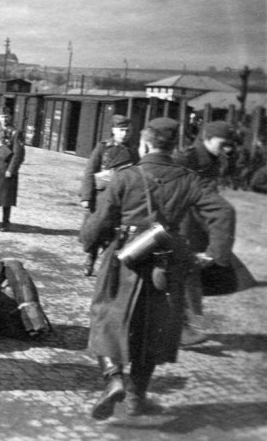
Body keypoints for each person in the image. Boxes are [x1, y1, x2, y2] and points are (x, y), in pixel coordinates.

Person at [81, 117, 234, 419]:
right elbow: (223, 212)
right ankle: (137, 398)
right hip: (166, 262)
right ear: (172, 145)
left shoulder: (126, 177)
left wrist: (88, 242)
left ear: (146, 143)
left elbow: (101, 222)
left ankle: (113, 379)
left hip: (124, 257)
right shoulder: (190, 179)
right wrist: (215, 255)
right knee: (152, 328)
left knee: (105, 316)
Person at [173, 120, 235, 345]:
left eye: (230, 144)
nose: (228, 149)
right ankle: (180, 328)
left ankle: (185, 326)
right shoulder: (185, 157)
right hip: (182, 223)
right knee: (181, 275)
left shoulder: (216, 159)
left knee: (191, 276)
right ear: (207, 137)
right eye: (224, 143)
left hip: (199, 225)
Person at [79, 115, 138, 276]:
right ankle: (90, 258)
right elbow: (90, 171)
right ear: (113, 130)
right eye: (121, 130)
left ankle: (108, 266)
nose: (124, 134)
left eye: (127, 131)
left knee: (114, 233)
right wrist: (86, 197)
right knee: (95, 230)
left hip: (120, 198)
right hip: (101, 197)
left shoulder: (133, 151)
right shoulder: (103, 147)